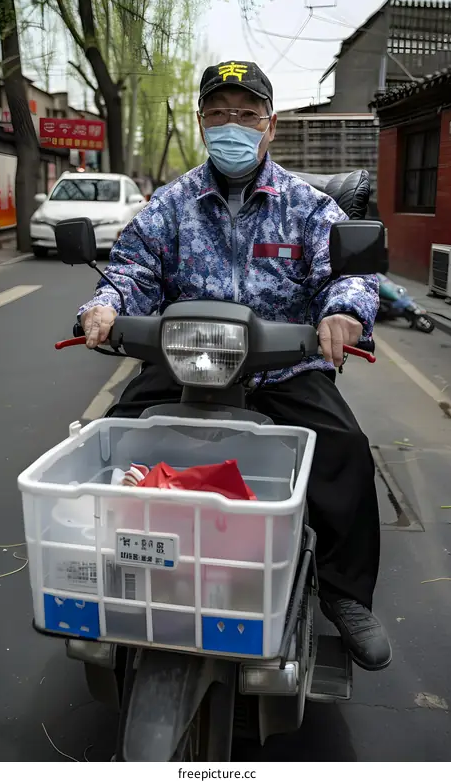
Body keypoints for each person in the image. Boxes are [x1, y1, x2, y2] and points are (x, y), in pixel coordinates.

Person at [77, 61, 391, 671]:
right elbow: (132, 269)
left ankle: (346, 595)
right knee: (111, 443)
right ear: (201, 123)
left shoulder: (309, 206)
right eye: (219, 113)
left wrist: (344, 314)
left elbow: (348, 275)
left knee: (345, 448)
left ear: (269, 126)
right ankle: (114, 565)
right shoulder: (170, 204)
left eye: (246, 114)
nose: (232, 125)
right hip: (184, 360)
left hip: (280, 368)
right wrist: (105, 305)